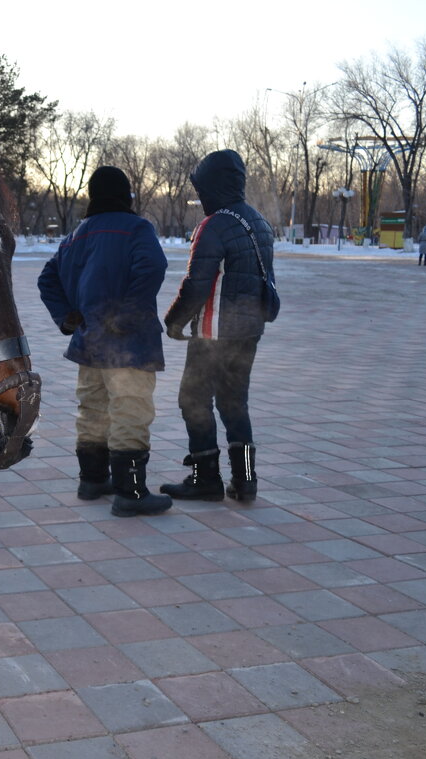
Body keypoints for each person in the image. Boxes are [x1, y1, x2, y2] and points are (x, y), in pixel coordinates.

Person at [38, 166, 172, 517]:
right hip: (128, 344)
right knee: (130, 410)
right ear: (125, 196)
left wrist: (68, 316)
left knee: (93, 410)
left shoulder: (76, 235)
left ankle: (93, 479)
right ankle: (131, 493)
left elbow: (47, 279)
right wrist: (127, 316)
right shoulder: (137, 229)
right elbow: (153, 267)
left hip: (88, 343)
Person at [161, 149, 275, 503]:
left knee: (192, 399)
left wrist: (174, 321)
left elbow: (197, 284)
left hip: (214, 332)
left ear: (213, 186)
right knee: (234, 402)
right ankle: (245, 481)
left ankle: (204, 478)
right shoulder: (258, 221)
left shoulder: (214, 225)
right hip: (249, 330)